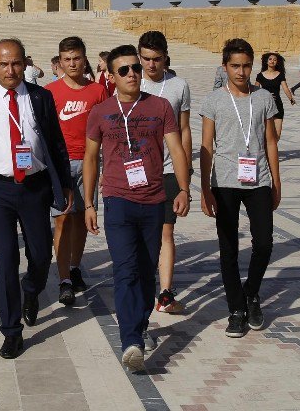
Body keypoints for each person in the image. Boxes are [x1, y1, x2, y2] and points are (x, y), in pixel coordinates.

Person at [0, 38, 74, 360]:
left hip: (35, 186)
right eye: (3, 64)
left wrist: (64, 184)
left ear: (25, 63)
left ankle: (31, 290)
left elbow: (55, 142)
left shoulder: (41, 97)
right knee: (6, 258)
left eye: (16, 63)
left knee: (40, 253)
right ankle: (11, 330)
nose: (10, 70)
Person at [84, 45, 190, 372]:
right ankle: (130, 340)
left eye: (135, 68)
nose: (132, 74)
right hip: (117, 200)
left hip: (154, 199)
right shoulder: (100, 112)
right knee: (125, 269)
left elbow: (176, 146)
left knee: (145, 272)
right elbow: (90, 158)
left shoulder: (159, 107)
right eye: (124, 70)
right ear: (111, 76)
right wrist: (89, 202)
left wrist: (184, 188)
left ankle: (140, 324)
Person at [199, 38, 281, 339]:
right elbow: (206, 145)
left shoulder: (263, 98)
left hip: (258, 178)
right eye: (235, 65)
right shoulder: (214, 100)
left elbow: (271, 141)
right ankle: (236, 308)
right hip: (224, 181)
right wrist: (206, 188)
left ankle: (251, 292)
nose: (241, 71)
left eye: (246, 65)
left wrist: (276, 180)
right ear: (225, 67)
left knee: (263, 244)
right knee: (228, 248)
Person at [44, 37, 108, 306]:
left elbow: (107, 130)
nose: (72, 64)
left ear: (85, 59)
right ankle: (63, 280)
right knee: (62, 219)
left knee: (82, 217)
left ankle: (75, 267)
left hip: (89, 162)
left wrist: (106, 166)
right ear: (60, 61)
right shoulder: (50, 92)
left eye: (77, 58)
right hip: (60, 164)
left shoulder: (97, 92)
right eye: (67, 59)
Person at [138, 30, 192, 315]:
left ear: (165, 57)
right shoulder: (131, 81)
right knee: (142, 233)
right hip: (137, 171)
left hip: (169, 170)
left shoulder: (179, 86)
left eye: (156, 59)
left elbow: (184, 130)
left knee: (166, 231)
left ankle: (166, 293)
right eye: (145, 59)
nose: (151, 65)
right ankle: (142, 286)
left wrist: (187, 175)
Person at [255, 52, 296, 140]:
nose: (272, 61)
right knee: (265, 134)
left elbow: (285, 88)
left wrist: (291, 98)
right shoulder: (260, 76)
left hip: (277, 106)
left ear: (277, 62)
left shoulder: (280, 75)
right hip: (264, 107)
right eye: (270, 59)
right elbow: (255, 91)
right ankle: (267, 153)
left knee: (277, 135)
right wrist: (265, 96)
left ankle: (271, 152)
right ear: (266, 61)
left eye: (275, 60)